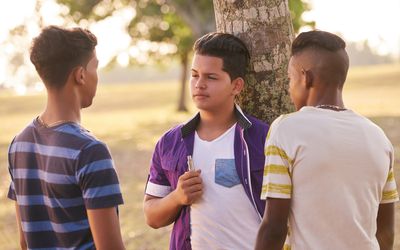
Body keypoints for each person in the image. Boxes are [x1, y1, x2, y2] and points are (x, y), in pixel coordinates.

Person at [255, 30, 399, 250]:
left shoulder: (286, 130)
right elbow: (386, 232)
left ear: (306, 77)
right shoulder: (378, 137)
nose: (289, 87)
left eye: (290, 78)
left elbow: (274, 228)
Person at [143, 32, 269, 250]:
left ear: (236, 86)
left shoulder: (264, 139)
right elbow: (152, 216)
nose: (199, 84)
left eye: (211, 77)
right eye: (194, 75)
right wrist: (177, 197)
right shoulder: (170, 142)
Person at [7, 26, 125, 250]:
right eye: (95, 67)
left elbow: (25, 242)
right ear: (80, 75)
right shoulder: (90, 151)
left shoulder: (19, 144)